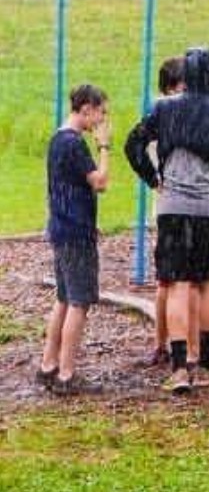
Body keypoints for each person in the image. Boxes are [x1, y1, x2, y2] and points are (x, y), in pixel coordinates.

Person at [125, 47, 209, 393]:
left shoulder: (165, 108)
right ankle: (205, 365)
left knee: (178, 284)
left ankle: (180, 368)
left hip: (172, 206)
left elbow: (133, 143)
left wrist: (153, 178)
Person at [38, 84, 111, 396]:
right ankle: (67, 373)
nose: (102, 119)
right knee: (79, 302)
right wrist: (105, 147)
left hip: (62, 227)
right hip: (75, 235)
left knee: (64, 299)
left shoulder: (57, 139)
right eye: (100, 112)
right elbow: (100, 183)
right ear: (86, 109)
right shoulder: (75, 144)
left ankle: (48, 364)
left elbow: (63, 188)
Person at [143, 55, 200, 368]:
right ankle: (184, 348)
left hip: (168, 203)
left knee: (170, 280)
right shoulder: (168, 116)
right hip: (177, 203)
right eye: (182, 87)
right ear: (169, 88)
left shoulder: (158, 114)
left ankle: (164, 345)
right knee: (179, 282)